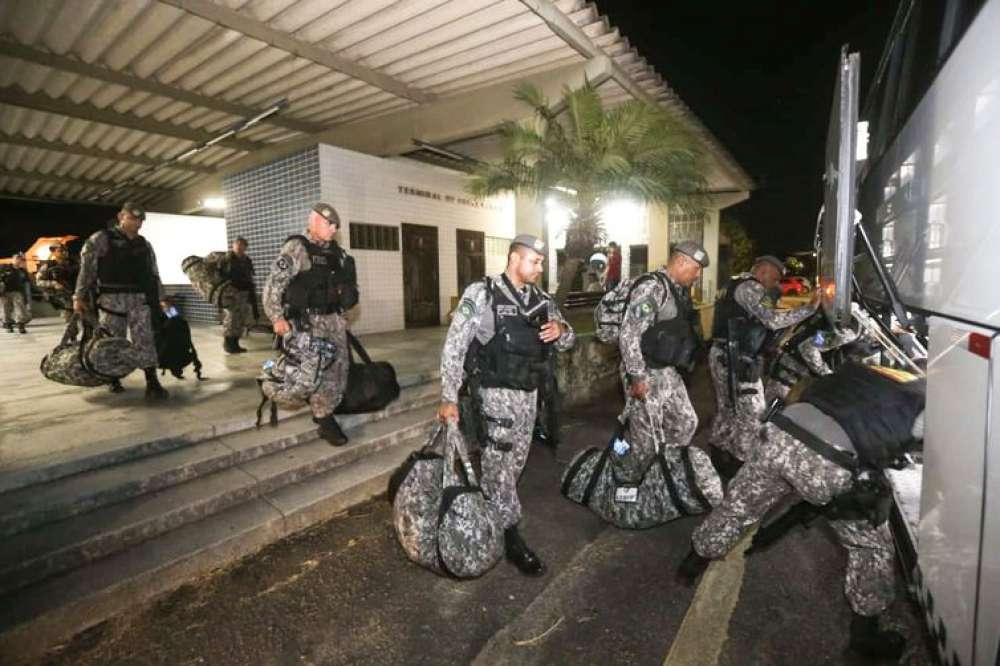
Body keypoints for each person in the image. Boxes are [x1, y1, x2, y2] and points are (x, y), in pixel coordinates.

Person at [679, 363, 925, 660]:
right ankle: (865, 639)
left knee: (738, 508)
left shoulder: (870, 371)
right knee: (870, 547)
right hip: (828, 461)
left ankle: (692, 563)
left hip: (780, 433)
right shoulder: (925, 404)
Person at [437, 234, 575, 576]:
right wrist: (448, 396)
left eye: (541, 262)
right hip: (494, 396)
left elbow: (567, 340)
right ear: (515, 258)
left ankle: (490, 515)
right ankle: (512, 538)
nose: (540, 267)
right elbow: (455, 345)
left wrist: (561, 329)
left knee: (513, 466)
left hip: (529, 398)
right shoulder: (482, 293)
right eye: (535, 261)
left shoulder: (542, 301)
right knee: (499, 469)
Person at [708, 255, 818, 468]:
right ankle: (741, 462)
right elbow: (772, 320)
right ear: (763, 271)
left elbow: (754, 323)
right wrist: (809, 309)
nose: (776, 284)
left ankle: (719, 452)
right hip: (735, 359)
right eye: (775, 278)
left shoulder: (735, 283)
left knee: (729, 408)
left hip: (724, 354)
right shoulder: (750, 287)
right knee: (754, 412)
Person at [262, 203, 358, 446]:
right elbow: (274, 284)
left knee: (338, 370)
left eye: (336, 226)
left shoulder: (337, 253)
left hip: (334, 321)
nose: (334, 229)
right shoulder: (297, 248)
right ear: (314, 222)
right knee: (315, 372)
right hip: (308, 323)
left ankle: (326, 407)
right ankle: (324, 418)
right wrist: (276, 318)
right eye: (330, 224)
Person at [617, 241, 709, 480]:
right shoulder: (652, 288)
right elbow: (628, 334)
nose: (698, 275)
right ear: (681, 262)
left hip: (667, 371)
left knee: (686, 422)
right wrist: (637, 376)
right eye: (696, 268)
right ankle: (633, 487)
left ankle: (661, 473)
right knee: (646, 443)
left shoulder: (677, 289)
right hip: (644, 371)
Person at [74, 202, 170, 399]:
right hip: (111, 301)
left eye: (141, 219)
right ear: (121, 217)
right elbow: (87, 270)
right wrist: (79, 296)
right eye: (133, 218)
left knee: (145, 339)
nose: (138, 223)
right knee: (111, 340)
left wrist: (162, 298)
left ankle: (152, 381)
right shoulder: (101, 238)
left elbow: (153, 274)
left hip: (139, 299)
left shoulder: (144, 244)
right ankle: (113, 378)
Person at [219, 237, 256, 354]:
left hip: (243, 292)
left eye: (242, 245)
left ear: (246, 247)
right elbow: (220, 276)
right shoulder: (226, 259)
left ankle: (235, 343)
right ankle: (228, 344)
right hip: (230, 293)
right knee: (231, 318)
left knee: (239, 319)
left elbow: (249, 276)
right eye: (237, 244)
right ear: (233, 245)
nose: (239, 247)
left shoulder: (247, 260)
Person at [35, 242, 79, 325]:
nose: (64, 253)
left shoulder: (75, 263)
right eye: (60, 251)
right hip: (64, 297)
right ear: (53, 252)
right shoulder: (48, 266)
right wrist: (53, 284)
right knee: (70, 321)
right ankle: (73, 337)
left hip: (79, 294)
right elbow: (39, 282)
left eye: (65, 250)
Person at [1, 253, 32, 334]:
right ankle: (8, 325)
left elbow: (27, 284)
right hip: (5, 292)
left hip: (17, 292)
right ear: (13, 259)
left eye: (20, 259)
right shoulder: (5, 267)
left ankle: (20, 325)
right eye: (16, 258)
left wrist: (27, 299)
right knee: (5, 309)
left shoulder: (22, 271)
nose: (18, 260)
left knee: (20, 308)